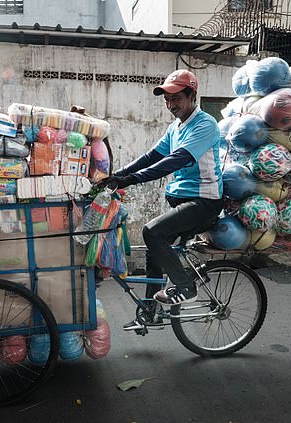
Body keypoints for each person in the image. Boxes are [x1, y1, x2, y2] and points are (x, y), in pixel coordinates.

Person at [103, 69, 224, 331]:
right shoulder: (175, 128)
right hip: (184, 203)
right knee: (154, 252)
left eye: (176, 98)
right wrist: (117, 176)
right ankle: (149, 312)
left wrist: (131, 180)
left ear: (192, 95)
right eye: (167, 100)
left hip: (204, 202)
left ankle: (185, 285)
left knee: (152, 232)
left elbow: (175, 160)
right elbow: (151, 156)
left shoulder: (205, 125)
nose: (170, 105)